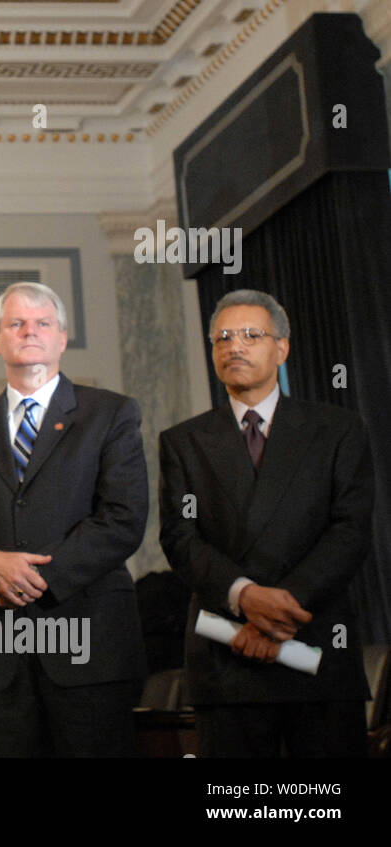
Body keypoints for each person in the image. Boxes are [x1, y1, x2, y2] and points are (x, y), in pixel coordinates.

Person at [0, 281, 148, 757]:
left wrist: (32, 576)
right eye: (16, 323)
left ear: (62, 338)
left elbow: (123, 518)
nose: (30, 332)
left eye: (42, 322)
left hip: (89, 644)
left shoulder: (110, 414)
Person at [158, 289, 371, 757]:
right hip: (227, 650)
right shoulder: (184, 441)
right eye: (223, 338)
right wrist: (246, 597)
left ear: (282, 347)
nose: (234, 347)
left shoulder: (337, 429)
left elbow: (350, 530)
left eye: (251, 335)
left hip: (314, 641)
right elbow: (180, 536)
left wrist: (280, 608)